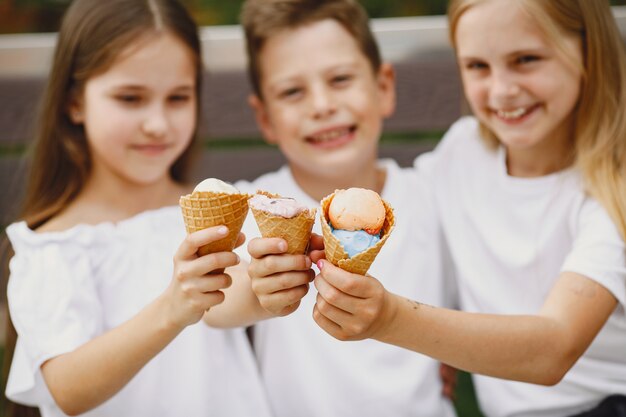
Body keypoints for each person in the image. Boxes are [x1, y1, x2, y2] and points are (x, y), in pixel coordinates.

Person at [311, 0, 626, 416]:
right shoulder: (462, 152)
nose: (501, 90)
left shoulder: (614, 184)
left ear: (590, 52)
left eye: (526, 59)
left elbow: (554, 348)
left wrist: (392, 319)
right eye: (478, 66)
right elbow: (395, 218)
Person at [3, 0, 273, 416]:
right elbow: (65, 390)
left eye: (178, 97)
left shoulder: (221, 208)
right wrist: (172, 308)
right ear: (74, 102)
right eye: (130, 98)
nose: (159, 124)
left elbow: (229, 300)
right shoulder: (55, 247)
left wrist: (269, 287)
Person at [236, 1, 458, 416]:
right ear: (264, 117)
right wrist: (257, 291)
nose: (321, 105)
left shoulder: (432, 192)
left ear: (384, 87)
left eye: (340, 79)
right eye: (292, 91)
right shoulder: (256, 206)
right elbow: (220, 302)